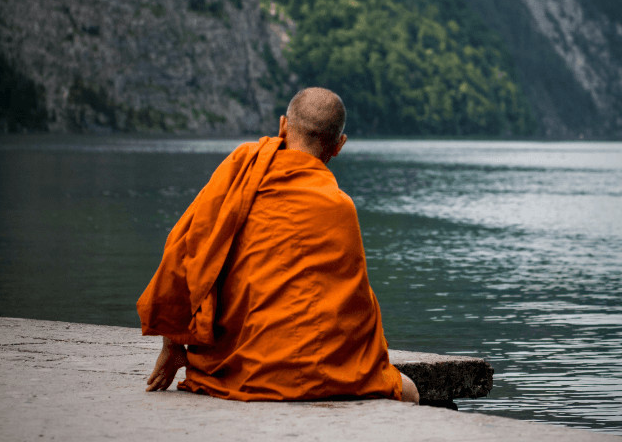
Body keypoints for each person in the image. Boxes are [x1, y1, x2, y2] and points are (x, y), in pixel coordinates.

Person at [137, 87, 419, 404]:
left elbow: (186, 250)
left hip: (236, 368)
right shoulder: (341, 208)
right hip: (322, 373)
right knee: (407, 391)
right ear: (339, 146)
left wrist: (173, 347)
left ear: (283, 125)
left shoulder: (241, 170)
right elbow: (356, 312)